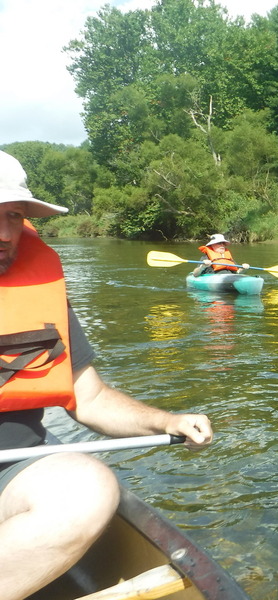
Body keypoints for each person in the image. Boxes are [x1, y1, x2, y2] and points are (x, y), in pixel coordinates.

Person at [0, 150, 214, 600]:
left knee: (90, 485)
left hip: (12, 475)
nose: (4, 234)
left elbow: (90, 399)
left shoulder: (43, 296)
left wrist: (166, 421)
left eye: (14, 216)